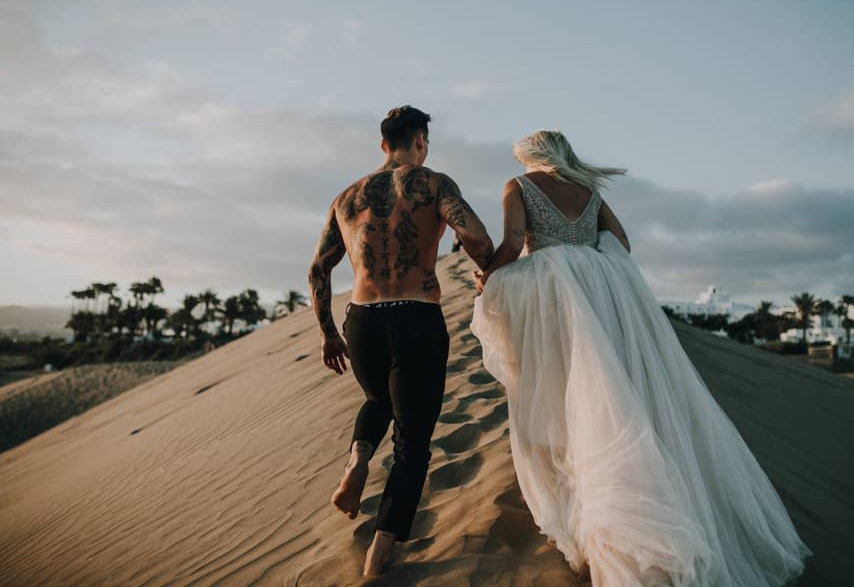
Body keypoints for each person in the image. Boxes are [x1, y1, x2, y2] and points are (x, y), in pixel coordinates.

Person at [470, 130, 812, 586]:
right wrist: (588, 260)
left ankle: (606, 515)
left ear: (530, 158)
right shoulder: (589, 191)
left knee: (570, 392)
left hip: (554, 297)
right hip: (599, 295)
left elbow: (512, 244)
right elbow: (622, 243)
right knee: (607, 387)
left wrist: (488, 277)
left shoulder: (518, 185)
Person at [307, 105, 494, 577]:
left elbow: (318, 269)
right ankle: (379, 553)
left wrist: (329, 332)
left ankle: (356, 463)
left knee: (377, 398)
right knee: (413, 444)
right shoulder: (433, 183)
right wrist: (486, 269)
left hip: (362, 320)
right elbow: (473, 234)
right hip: (416, 318)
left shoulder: (346, 198)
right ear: (421, 141)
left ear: (382, 144)